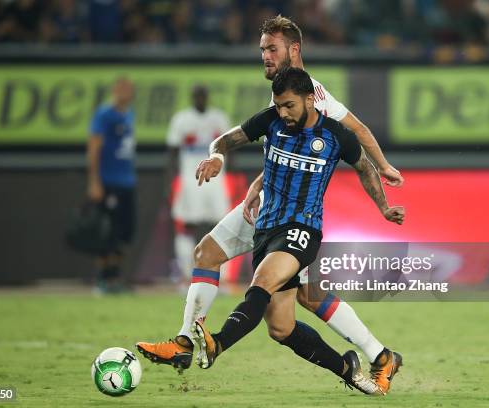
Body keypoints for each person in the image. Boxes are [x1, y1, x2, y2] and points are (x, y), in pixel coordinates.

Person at [137, 15, 403, 394]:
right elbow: (275, 144)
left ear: (294, 50)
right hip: (267, 207)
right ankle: (184, 343)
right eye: (262, 48)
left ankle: (377, 356)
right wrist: (256, 179)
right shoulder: (280, 100)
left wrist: (384, 168)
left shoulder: (316, 96)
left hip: (296, 214)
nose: (264, 55)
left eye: (271, 48)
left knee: (298, 296)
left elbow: (355, 133)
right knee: (211, 256)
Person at [191, 67, 405, 395]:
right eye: (278, 105)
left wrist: (384, 207)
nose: (283, 112)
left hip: (302, 229)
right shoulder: (270, 121)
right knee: (280, 327)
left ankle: (217, 344)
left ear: (309, 99)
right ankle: (349, 369)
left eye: (289, 105)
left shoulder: (335, 135)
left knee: (261, 282)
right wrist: (217, 156)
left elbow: (365, 167)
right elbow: (224, 140)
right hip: (265, 228)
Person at [166, 85, 231, 284]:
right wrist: (170, 182)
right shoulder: (181, 120)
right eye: (197, 95)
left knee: (222, 225)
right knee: (188, 225)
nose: (200, 98)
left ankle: (224, 276)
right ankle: (187, 274)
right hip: (191, 179)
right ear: (192, 97)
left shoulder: (219, 118)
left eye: (203, 95)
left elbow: (230, 148)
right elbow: (172, 153)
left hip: (216, 180)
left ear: (207, 97)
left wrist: (232, 175)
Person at [87, 77, 136, 294]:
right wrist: (95, 181)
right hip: (109, 182)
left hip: (127, 181)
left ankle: (115, 277)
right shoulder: (104, 114)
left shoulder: (129, 114)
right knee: (107, 231)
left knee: (125, 230)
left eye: (129, 88)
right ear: (114, 90)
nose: (126, 92)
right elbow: (94, 147)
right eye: (122, 88)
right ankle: (102, 279)